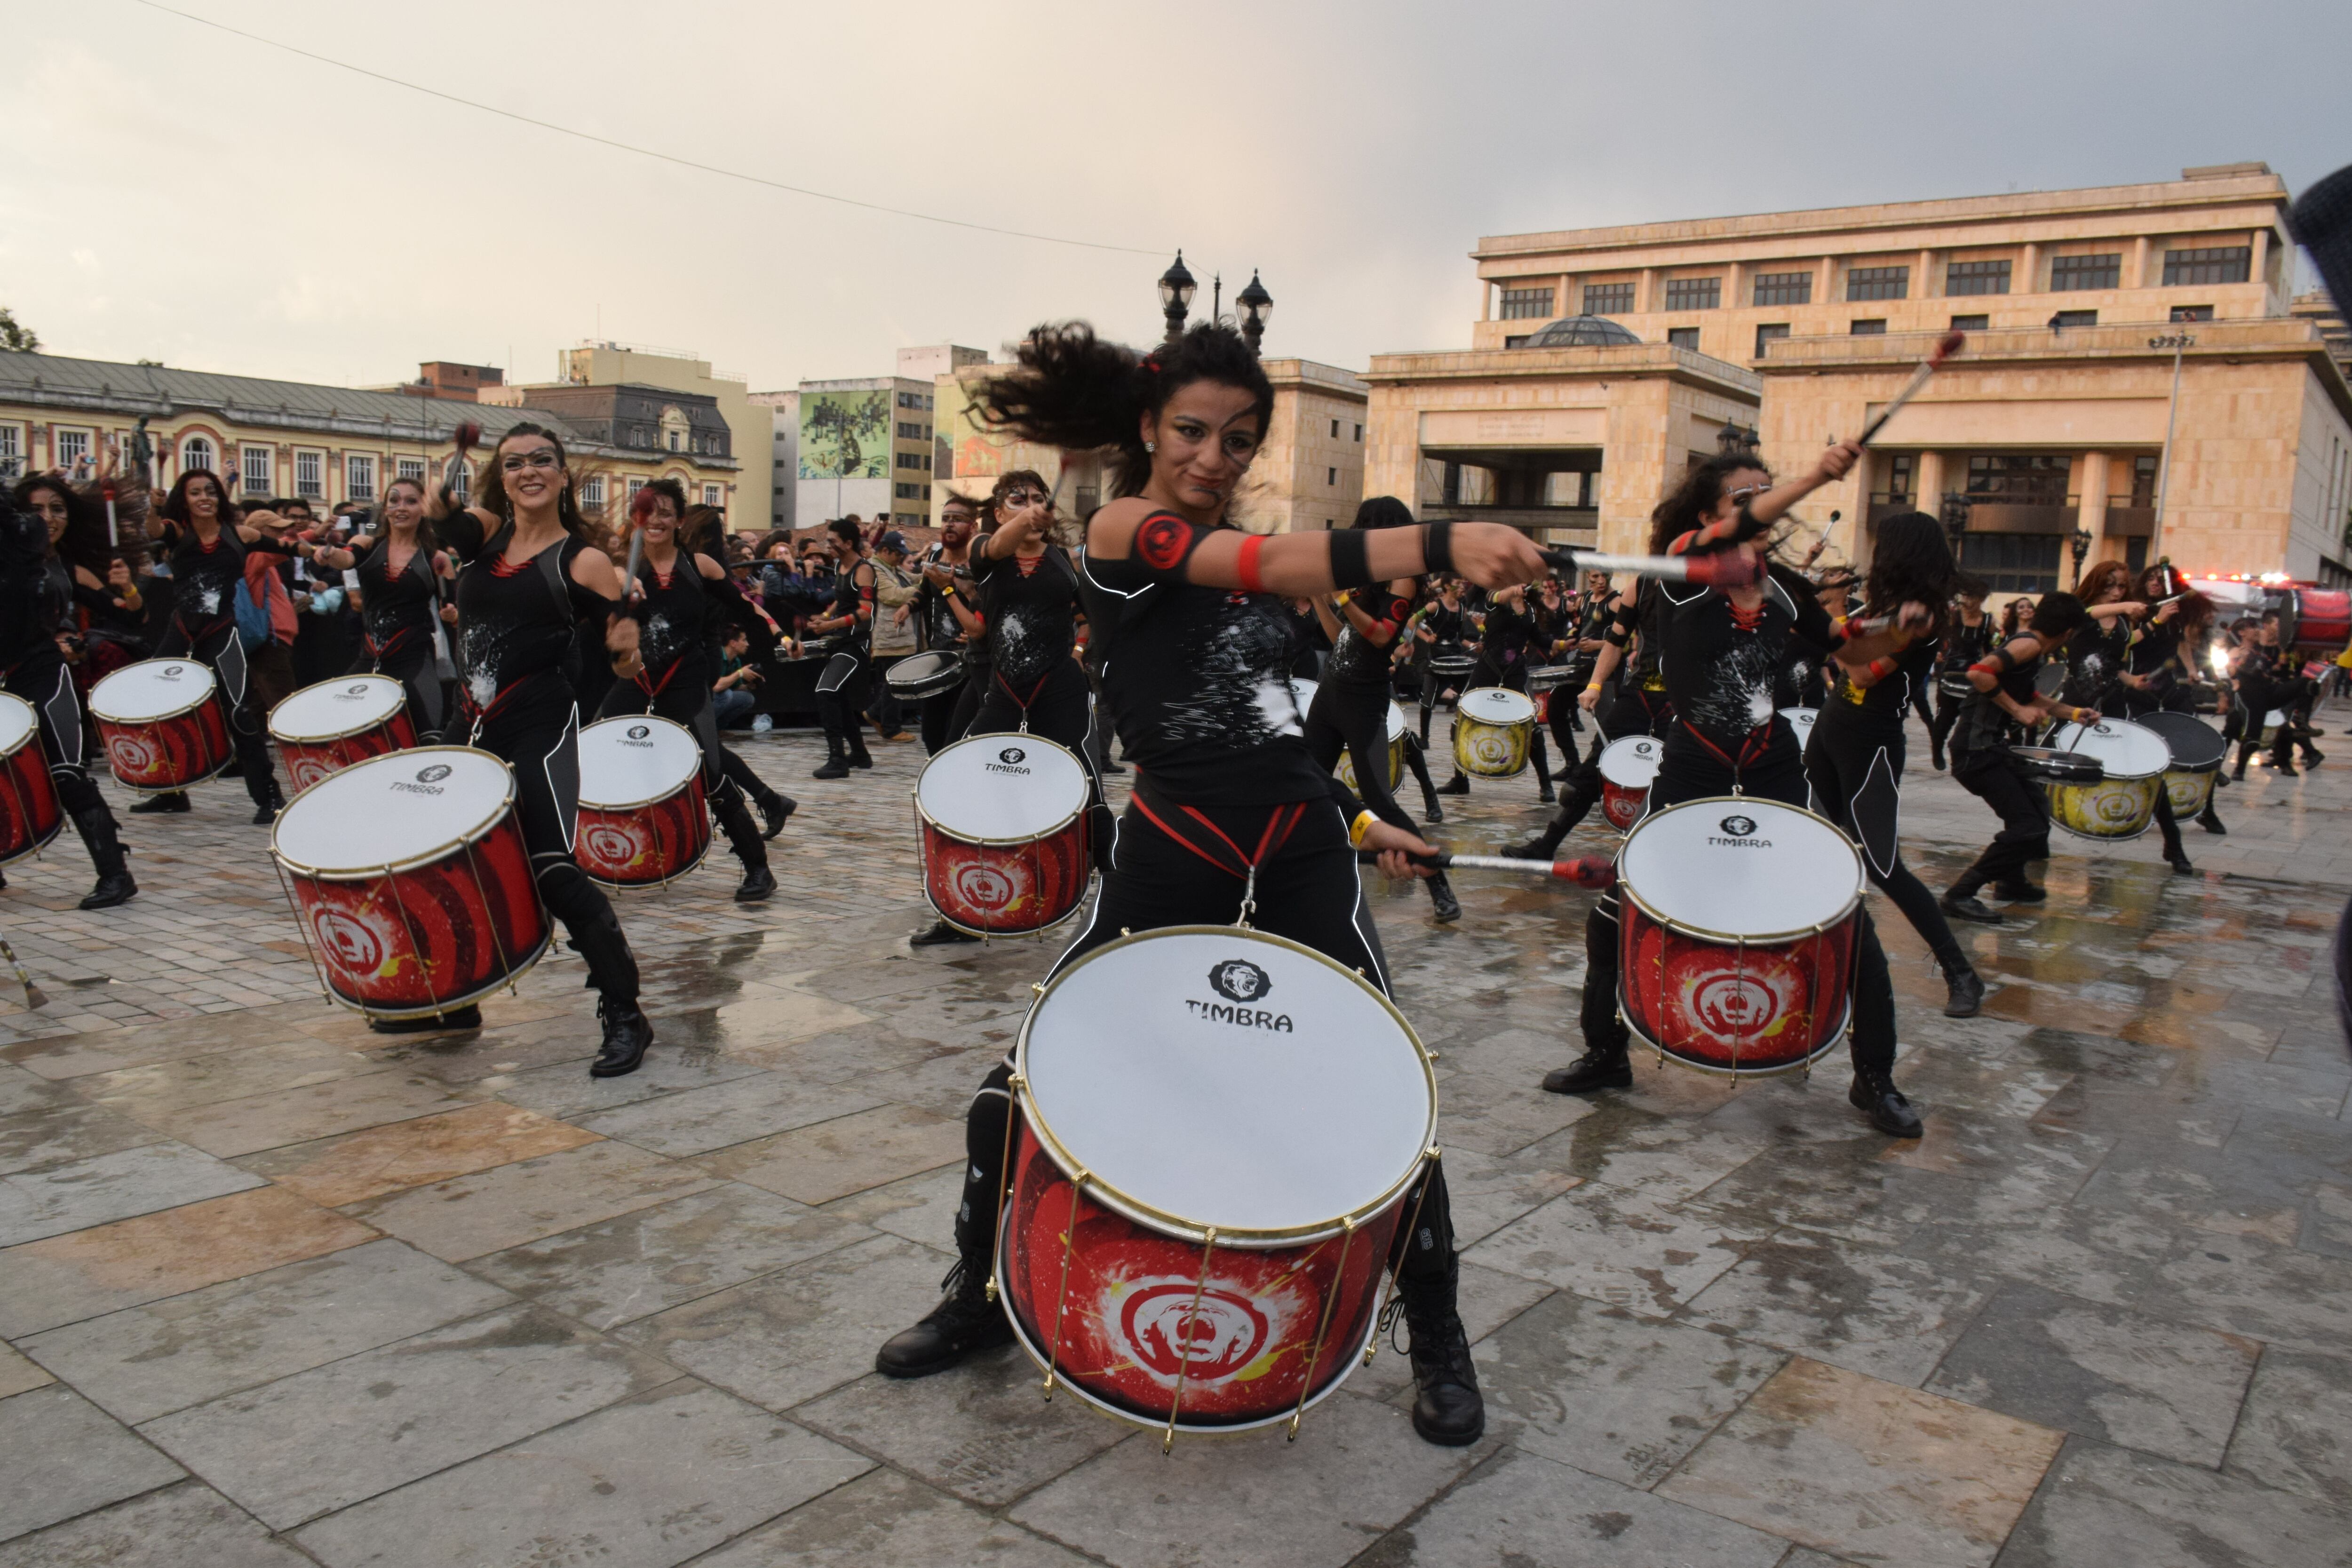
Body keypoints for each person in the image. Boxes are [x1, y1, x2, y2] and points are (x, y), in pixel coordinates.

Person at [875, 320, 1549, 1447]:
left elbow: (1276, 730)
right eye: (1191, 430)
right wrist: (1442, 539)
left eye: (1238, 440)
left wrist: (1365, 820)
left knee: (1387, 1094)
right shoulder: (1120, 532)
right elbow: (1266, 562)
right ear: (1148, 426)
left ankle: (1437, 1332)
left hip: (1298, 851)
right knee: (1013, 1092)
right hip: (1173, 850)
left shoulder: (1256, 577)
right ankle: (980, 1293)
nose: (1212, 456)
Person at [1539, 446, 1932, 1139]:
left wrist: (1896, 629)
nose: (1760, 504)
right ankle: (1606, 1052)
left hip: (1774, 769)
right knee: (1613, 916)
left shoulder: (1783, 587)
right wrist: (1815, 475)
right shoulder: (1683, 570)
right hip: (1691, 770)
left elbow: (1849, 648)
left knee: (1847, 916)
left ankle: (1875, 1077)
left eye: (1766, 491)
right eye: (1744, 496)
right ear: (1707, 514)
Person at [423, 422, 654, 1071]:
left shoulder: (582, 561)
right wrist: (445, 485)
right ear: (501, 476)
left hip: (540, 724)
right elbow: (444, 520)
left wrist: (628, 648)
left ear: (561, 474)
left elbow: (625, 662)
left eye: (542, 460)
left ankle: (626, 1014)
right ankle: (459, 996)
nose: (528, 470)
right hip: (470, 724)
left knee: (551, 866)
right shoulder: (484, 532)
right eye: (515, 462)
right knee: (450, 861)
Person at [1803, 513, 1986, 1018]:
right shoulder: (1885, 607)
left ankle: (1960, 972)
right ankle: (1814, 958)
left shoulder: (1919, 617)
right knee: (1815, 843)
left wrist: (1833, 630)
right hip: (1832, 727)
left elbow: (1862, 673)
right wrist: (1837, 626)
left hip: (1872, 744)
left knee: (1883, 865)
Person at [599, 479, 792, 903]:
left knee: (709, 771)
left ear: (680, 520)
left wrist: (779, 634)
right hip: (636, 679)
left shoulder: (699, 566)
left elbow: (745, 606)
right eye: (649, 511)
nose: (656, 520)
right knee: (593, 755)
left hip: (685, 681)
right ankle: (593, 858)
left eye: (666, 512)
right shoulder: (622, 570)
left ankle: (759, 868)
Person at [1305, 496, 1459, 923]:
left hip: (1363, 700)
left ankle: (1437, 881)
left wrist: (1341, 597)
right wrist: (1319, 597)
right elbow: (1342, 638)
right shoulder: (1367, 580)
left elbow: (1379, 636)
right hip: (1330, 694)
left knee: (1379, 801)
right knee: (1306, 780)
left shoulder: (1403, 578)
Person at [1, 474, 136, 907]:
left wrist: (130, 589)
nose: (49, 518)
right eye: (37, 510)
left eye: (57, 509)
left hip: (45, 674)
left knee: (67, 774)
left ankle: (116, 875)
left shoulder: (70, 568)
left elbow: (130, 616)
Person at [134, 469, 291, 822]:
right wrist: (152, 506)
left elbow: (286, 547)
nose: (204, 497)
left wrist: (316, 548)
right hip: (181, 629)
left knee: (238, 713)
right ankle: (169, 791)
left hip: (221, 632)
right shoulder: (178, 531)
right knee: (157, 708)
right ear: (184, 499)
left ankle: (269, 796)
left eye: (210, 491)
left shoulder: (238, 534)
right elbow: (154, 531)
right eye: (195, 492)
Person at [1939, 594, 2100, 921]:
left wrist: (2075, 713)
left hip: (1990, 748)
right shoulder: (2028, 645)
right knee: (2028, 827)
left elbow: (2031, 697)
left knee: (2037, 810)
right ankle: (1960, 894)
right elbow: (1979, 673)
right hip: (1975, 752)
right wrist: (2017, 711)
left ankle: (2011, 882)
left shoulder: (2032, 648)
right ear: (2068, 632)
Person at [2068, 561, 2192, 875]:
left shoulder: (2122, 621)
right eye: (2109, 585)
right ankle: (2033, 837)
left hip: (2112, 704)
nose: (2115, 591)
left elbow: (2115, 655)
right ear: (2096, 584)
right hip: (2075, 705)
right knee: (2049, 772)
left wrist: (2131, 678)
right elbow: (2086, 615)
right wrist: (2126, 606)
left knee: (2148, 770)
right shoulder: (2080, 612)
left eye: (2122, 586)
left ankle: (2174, 843)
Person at [308, 476, 452, 744]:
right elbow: (346, 558)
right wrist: (329, 554)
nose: (401, 508)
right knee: (331, 728)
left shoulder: (436, 558)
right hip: (370, 656)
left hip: (415, 659)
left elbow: (453, 604)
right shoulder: (367, 544)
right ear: (385, 509)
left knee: (429, 738)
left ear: (424, 509)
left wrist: (452, 613)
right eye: (394, 501)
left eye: (411, 501)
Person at [1435, 578, 1555, 802]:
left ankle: (1546, 785)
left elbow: (1539, 639)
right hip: (1487, 668)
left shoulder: (1529, 609)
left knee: (1532, 727)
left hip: (1515, 671)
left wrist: (1565, 644)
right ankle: (1460, 781)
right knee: (1460, 721)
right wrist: (1513, 589)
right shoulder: (1495, 599)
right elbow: (1498, 596)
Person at [913, 493, 984, 753]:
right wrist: (907, 608)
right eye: (945, 519)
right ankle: (938, 775)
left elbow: (994, 606)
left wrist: (977, 627)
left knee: (958, 734)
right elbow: (924, 591)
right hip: (940, 656)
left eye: (957, 519)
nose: (949, 524)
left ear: (973, 526)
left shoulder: (982, 562)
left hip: (971, 660)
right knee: (931, 733)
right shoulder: (936, 558)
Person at [806, 519, 877, 780]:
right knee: (839, 697)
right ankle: (859, 753)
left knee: (826, 691)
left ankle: (837, 759)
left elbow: (865, 612)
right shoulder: (840, 566)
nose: (828, 546)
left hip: (857, 643)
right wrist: (825, 616)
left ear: (848, 543)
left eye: (833, 541)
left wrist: (829, 625)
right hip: (841, 640)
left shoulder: (864, 570)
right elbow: (841, 598)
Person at [1928, 580, 1992, 772]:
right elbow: (1937, 635)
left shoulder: (1988, 622)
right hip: (1950, 672)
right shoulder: (1953, 616)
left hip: (1973, 675)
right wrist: (1937, 652)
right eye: (1965, 596)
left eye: (1973, 598)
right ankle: (1937, 749)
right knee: (1944, 719)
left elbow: (1987, 649)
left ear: (1981, 600)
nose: (1968, 601)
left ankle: (1959, 753)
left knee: (1969, 720)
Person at [866, 529, 920, 741]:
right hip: (888, 636)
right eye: (898, 554)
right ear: (885, 551)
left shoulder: (892, 568)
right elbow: (892, 595)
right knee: (895, 683)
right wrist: (924, 587)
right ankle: (891, 728)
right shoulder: (874, 569)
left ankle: (874, 714)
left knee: (897, 682)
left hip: (899, 636)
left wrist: (932, 576)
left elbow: (913, 579)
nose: (901, 558)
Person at [711, 627, 761, 729]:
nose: (747, 644)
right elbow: (716, 687)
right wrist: (740, 673)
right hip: (704, 699)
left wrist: (750, 686)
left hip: (720, 696)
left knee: (747, 699)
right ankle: (707, 727)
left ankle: (719, 728)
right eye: (744, 640)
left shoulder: (736, 661)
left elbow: (736, 687)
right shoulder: (717, 656)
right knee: (726, 695)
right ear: (733, 643)